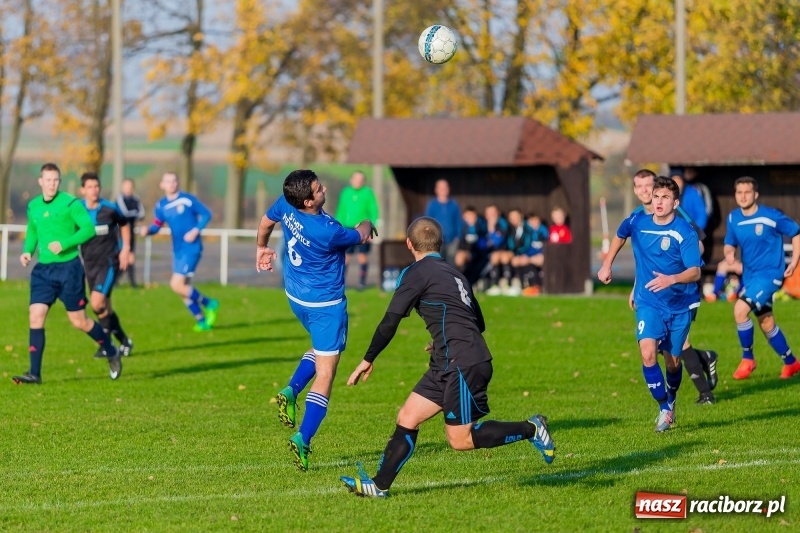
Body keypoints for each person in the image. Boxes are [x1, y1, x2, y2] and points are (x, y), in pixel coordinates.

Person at [339, 217, 554, 498]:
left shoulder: (415, 273)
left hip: (462, 363)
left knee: (460, 440)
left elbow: (390, 321)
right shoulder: (455, 273)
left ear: (409, 244)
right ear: (439, 244)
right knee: (407, 416)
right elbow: (478, 322)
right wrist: (442, 339)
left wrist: (368, 358)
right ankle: (379, 485)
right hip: (449, 358)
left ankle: (532, 428)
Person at [256, 169, 377, 471]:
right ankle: (304, 437)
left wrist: (261, 247)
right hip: (326, 305)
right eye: (318, 188)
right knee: (327, 373)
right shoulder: (328, 230)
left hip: (297, 297)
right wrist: (368, 222)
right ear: (309, 201)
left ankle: (290, 390)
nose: (324, 188)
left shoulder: (287, 203)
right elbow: (360, 235)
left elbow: (265, 222)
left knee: (323, 351)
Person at [598, 169, 719, 404]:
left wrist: (681, 266)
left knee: (677, 347)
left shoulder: (677, 213)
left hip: (682, 291)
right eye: (640, 186)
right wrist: (636, 286)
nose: (645, 190)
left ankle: (704, 391)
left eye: (648, 185)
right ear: (636, 191)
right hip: (654, 293)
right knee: (667, 348)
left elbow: (698, 243)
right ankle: (700, 372)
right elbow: (645, 259)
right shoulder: (637, 218)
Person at [13, 163, 121, 384]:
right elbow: (33, 230)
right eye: (48, 180)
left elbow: (88, 229)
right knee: (35, 316)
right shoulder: (33, 206)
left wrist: (64, 243)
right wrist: (27, 251)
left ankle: (111, 350)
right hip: (43, 271)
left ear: (59, 181)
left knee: (79, 321)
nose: (52, 184)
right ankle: (35, 373)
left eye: (56, 180)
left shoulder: (71, 203)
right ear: (40, 181)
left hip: (69, 269)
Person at [723, 176, 800, 380]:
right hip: (751, 277)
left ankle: (748, 358)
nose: (743, 196)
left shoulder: (770, 216)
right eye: (739, 192)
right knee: (766, 323)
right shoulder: (733, 218)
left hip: (770, 275)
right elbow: (729, 241)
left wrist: (793, 262)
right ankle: (791, 362)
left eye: (747, 192)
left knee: (740, 310)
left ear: (755, 194)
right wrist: (729, 253)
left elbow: (796, 231)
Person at [140, 172, 219, 332]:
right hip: (177, 250)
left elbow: (206, 214)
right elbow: (157, 225)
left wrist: (196, 230)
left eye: (174, 180)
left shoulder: (187, 199)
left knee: (176, 284)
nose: (172, 184)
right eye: (168, 181)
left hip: (191, 248)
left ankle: (209, 303)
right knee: (184, 288)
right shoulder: (161, 206)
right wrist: (147, 231)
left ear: (178, 182)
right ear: (162, 185)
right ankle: (202, 321)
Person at [79, 173, 135, 358]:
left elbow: (125, 224)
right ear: (83, 190)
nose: (94, 190)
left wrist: (126, 248)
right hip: (89, 264)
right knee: (104, 309)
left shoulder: (110, 208)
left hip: (109, 262)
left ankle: (106, 346)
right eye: (90, 187)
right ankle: (125, 342)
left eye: (96, 186)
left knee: (96, 303)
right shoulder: (77, 210)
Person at [335, 170, 379, 290]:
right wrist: (338, 227)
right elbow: (341, 210)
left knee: (362, 255)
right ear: (351, 180)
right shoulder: (346, 192)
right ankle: (340, 282)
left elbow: (373, 211)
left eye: (360, 180)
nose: (358, 182)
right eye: (356, 179)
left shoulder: (368, 193)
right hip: (347, 228)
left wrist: (371, 228)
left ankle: (362, 282)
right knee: (346, 256)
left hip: (362, 228)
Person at [116, 178, 145, 287]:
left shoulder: (136, 199)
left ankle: (132, 283)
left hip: (131, 232)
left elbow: (142, 214)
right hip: (120, 233)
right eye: (126, 186)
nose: (128, 189)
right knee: (123, 257)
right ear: (122, 187)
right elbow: (124, 213)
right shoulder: (119, 199)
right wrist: (134, 214)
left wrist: (134, 214)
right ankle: (115, 281)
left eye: (130, 186)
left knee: (131, 258)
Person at [424, 179, 461, 263]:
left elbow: (458, 221)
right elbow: (428, 222)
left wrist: (458, 237)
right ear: (436, 190)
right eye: (441, 188)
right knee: (438, 264)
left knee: (450, 265)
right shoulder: (432, 205)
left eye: (445, 188)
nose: (443, 190)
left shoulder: (454, 204)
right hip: (437, 242)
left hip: (452, 242)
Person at [454, 206, 489, 285]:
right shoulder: (462, 228)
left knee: (461, 257)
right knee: (459, 257)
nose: (471, 218)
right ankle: (458, 281)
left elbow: (483, 244)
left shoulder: (480, 227)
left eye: (473, 216)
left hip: (477, 254)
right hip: (463, 253)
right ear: (464, 217)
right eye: (469, 216)